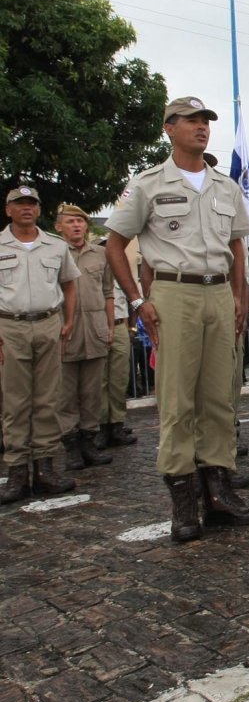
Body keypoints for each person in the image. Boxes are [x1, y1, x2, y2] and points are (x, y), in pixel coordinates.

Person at [105, 96, 249, 543]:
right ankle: (183, 500)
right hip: (172, 293)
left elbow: (237, 248)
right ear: (169, 128)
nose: (201, 127)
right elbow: (115, 244)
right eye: (191, 120)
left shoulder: (225, 186)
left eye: (205, 121)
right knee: (177, 400)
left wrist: (240, 294)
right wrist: (138, 301)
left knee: (219, 398)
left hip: (218, 293)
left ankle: (218, 493)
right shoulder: (148, 184)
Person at [0, 186, 79, 503]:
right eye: (19, 204)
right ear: (8, 210)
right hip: (10, 326)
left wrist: (69, 321)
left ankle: (45, 467)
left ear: (39, 209)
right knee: (15, 402)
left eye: (31, 203)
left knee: (48, 398)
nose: (26, 209)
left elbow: (69, 285)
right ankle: (17, 470)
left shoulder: (56, 246)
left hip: (48, 323)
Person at [54, 203, 116, 469]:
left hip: (95, 327)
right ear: (59, 227)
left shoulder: (100, 254)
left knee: (92, 392)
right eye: (70, 222)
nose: (77, 226)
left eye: (80, 221)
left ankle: (89, 441)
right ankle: (70, 446)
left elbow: (108, 292)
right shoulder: (54, 253)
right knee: (66, 393)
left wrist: (110, 326)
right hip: (65, 329)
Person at [96, 274, 137, 449]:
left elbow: (134, 301)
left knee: (119, 379)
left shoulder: (121, 276)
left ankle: (118, 424)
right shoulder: (93, 274)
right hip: (99, 325)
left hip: (120, 325)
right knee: (100, 381)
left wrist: (132, 328)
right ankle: (102, 426)